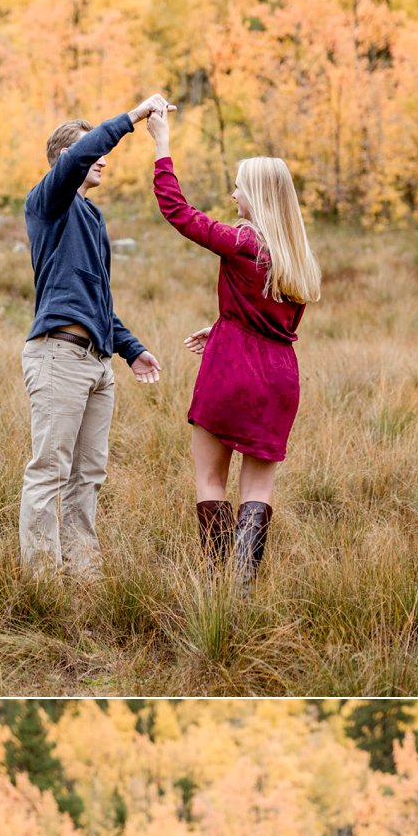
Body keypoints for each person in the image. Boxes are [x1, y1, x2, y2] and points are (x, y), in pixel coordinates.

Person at [144, 108, 322, 588]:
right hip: (280, 376)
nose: (233, 195)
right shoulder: (298, 258)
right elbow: (273, 317)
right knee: (259, 488)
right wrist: (221, 324)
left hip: (233, 370)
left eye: (239, 187)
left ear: (258, 196)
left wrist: (162, 144)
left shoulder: (243, 241)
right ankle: (242, 587)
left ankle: (217, 585)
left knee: (210, 481)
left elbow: (177, 212)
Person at [19, 95, 169, 577]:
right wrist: (132, 117)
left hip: (97, 363)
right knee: (50, 470)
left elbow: (98, 299)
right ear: (67, 162)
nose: (103, 158)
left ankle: (83, 574)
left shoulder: (94, 218)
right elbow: (84, 153)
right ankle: (42, 583)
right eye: (91, 151)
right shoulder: (48, 202)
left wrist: (131, 348)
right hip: (57, 357)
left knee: (88, 476)